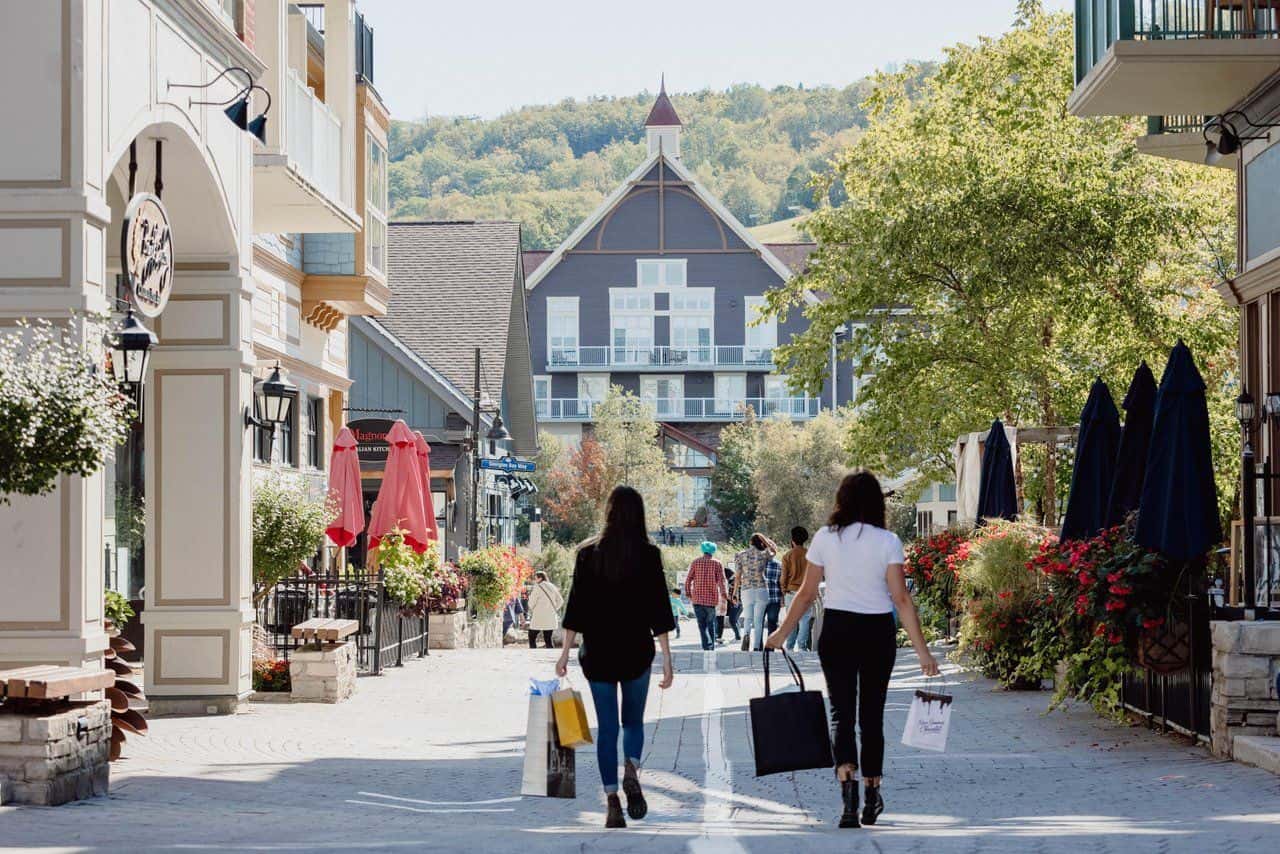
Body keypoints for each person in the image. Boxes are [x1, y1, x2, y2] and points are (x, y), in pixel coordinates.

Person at [767, 470, 940, 830]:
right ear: (877, 501)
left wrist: (782, 633)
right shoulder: (888, 540)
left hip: (838, 630)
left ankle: (848, 796)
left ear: (841, 500)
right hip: (877, 631)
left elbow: (806, 592)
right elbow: (901, 598)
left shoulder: (825, 538)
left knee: (841, 714)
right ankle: (872, 791)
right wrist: (923, 652)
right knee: (871, 714)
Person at [557, 486, 675, 829]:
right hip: (636, 650)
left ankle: (611, 802)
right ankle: (631, 769)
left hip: (598, 652)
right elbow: (660, 609)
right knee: (634, 722)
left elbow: (574, 607)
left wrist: (564, 653)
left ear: (608, 512)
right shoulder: (649, 555)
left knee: (607, 728)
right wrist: (667, 658)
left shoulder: (587, 555)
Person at [732, 533, 777, 651]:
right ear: (760, 542)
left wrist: (735, 593)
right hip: (762, 589)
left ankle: (746, 635)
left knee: (748, 617)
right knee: (759, 620)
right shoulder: (764, 554)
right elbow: (774, 552)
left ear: (750, 542)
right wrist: (766, 542)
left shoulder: (740, 555)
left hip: (747, 589)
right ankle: (757, 646)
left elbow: (737, 576)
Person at [683, 542, 727, 651]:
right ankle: (711, 646)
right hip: (711, 600)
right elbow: (722, 581)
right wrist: (724, 594)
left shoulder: (695, 562)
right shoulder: (717, 563)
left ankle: (706, 646)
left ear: (703, 550)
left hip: (697, 598)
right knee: (710, 624)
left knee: (701, 625)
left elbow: (688, 579)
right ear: (713, 550)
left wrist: (688, 592)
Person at [781, 526, 814, 651]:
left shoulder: (787, 556)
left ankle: (789, 646)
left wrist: (783, 590)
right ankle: (802, 646)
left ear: (792, 540)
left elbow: (783, 577)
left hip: (791, 592)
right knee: (805, 619)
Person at [526, 570, 563, 649]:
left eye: (536, 578)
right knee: (548, 638)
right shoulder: (552, 586)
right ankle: (550, 655)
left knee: (532, 635)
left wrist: (532, 609)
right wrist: (554, 609)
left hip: (539, 615)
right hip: (551, 616)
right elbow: (560, 601)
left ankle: (533, 652)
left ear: (540, 578)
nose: (535, 580)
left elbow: (531, 602)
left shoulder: (538, 587)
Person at [718, 565, 741, 643]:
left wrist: (728, 597)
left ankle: (738, 637)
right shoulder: (730, 580)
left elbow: (734, 594)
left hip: (737, 603)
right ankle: (738, 636)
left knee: (732, 620)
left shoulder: (734, 581)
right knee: (734, 620)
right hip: (734, 603)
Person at [763, 553, 783, 638]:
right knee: (772, 623)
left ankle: (758, 646)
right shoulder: (779, 565)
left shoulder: (758, 563)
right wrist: (782, 598)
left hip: (761, 598)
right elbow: (781, 583)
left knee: (759, 622)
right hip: (774, 598)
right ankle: (770, 646)